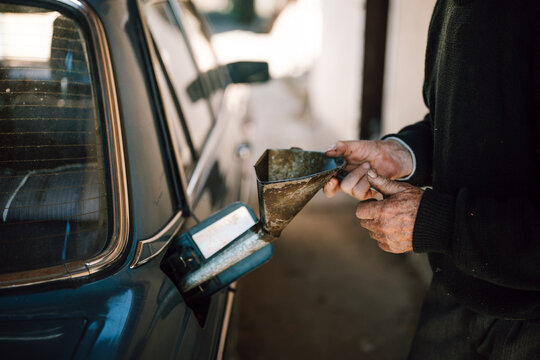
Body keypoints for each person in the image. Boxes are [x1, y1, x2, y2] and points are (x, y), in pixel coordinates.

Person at [323, 0, 540, 359]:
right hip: (455, 288)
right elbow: (466, 122)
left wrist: (438, 224)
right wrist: (402, 154)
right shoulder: (453, 7)